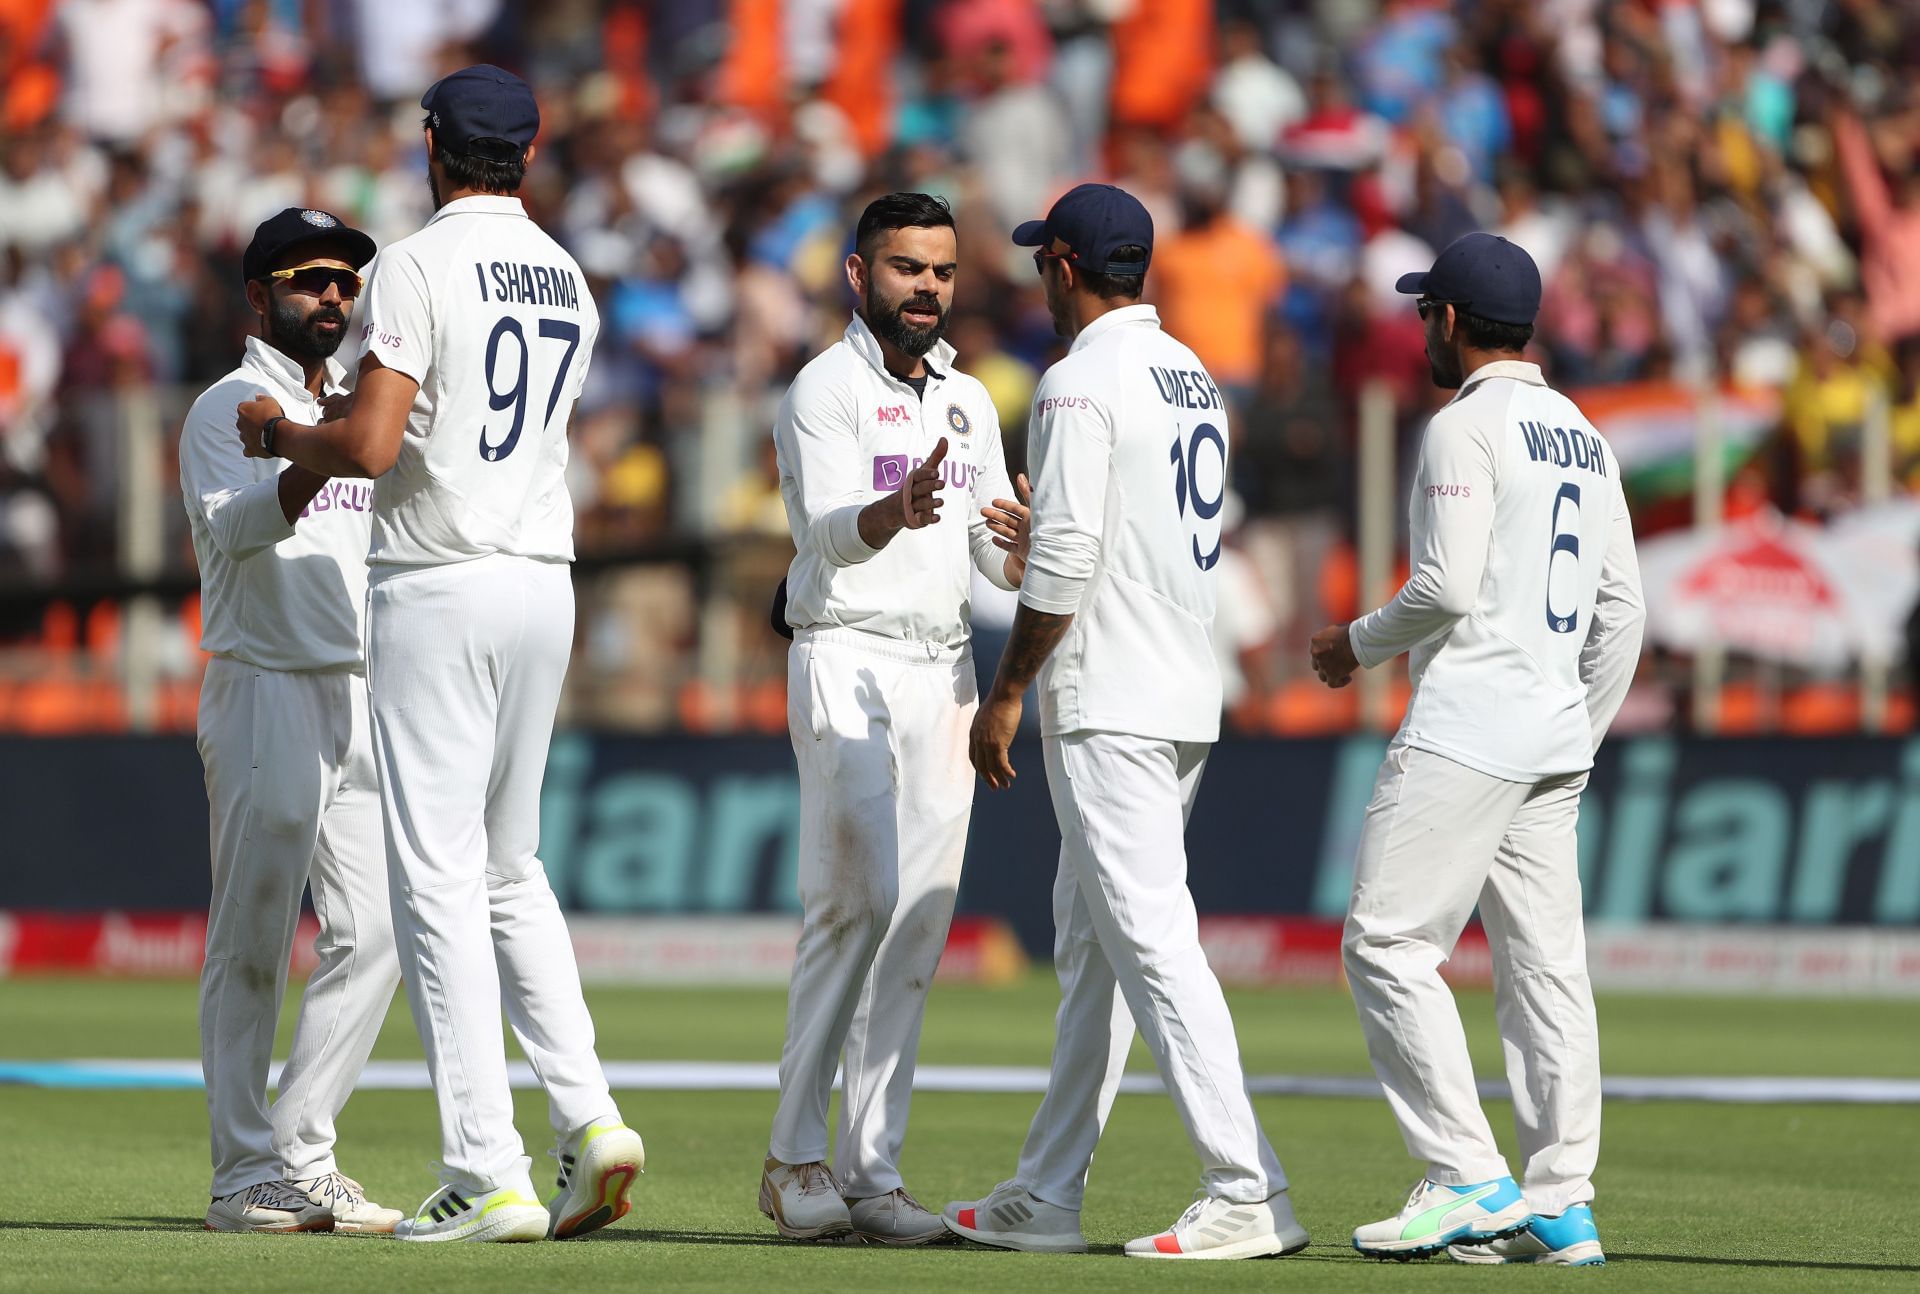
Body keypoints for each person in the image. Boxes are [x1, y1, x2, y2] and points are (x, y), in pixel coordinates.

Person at [233, 64, 643, 1245]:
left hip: (438, 579)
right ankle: (592, 1115)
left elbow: (366, 441)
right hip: (541, 580)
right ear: (531, 146)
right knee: (512, 867)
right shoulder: (565, 271)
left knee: (439, 878)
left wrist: (280, 435)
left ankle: (487, 1166)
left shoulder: (415, 262)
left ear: (432, 146)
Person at [950, 183, 1308, 1262]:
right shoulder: (1192, 372)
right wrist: (1043, 538)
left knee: (1147, 936)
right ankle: (1049, 1190)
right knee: (1096, 946)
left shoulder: (1076, 380)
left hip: (1108, 697)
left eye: (1040, 264)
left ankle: (1248, 1185)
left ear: (1062, 265)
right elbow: (1109, 541)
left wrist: (1006, 689)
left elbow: (1066, 562)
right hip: (1180, 686)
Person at [1308, 232, 1644, 1266]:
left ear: (1450, 321)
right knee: (1547, 970)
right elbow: (1623, 611)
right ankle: (1561, 1203)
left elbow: (1446, 587)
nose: (1420, 333)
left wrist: (1353, 645)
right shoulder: (1585, 433)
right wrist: (1573, 732)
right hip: (1549, 731)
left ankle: (1465, 1173)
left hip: (1472, 723)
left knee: (1386, 942)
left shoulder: (1464, 427)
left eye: (1425, 315)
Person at [760, 192, 1030, 1246]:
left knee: (919, 915)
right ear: (858, 275)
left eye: (941, 271)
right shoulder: (821, 389)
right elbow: (825, 535)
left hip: (944, 669)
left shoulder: (968, 401)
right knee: (854, 900)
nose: (926, 288)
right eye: (906, 268)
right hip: (848, 656)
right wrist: (893, 511)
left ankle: (873, 1172)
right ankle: (792, 1158)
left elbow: (988, 558)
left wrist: (1019, 539)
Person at [182, 207, 401, 1236]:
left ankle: (303, 1149)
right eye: (312, 280)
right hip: (264, 683)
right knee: (253, 938)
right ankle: (240, 1171)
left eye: (348, 283)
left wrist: (336, 436)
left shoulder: (356, 414)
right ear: (262, 292)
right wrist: (315, 453)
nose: (335, 299)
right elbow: (235, 531)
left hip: (359, 690)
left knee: (380, 930)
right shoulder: (228, 404)